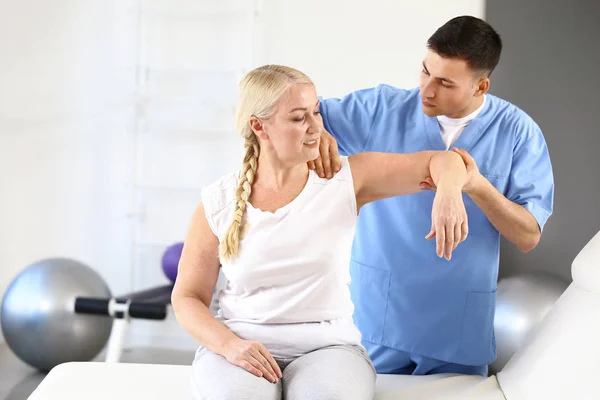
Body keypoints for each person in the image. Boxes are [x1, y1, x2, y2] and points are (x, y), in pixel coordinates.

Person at [171, 64, 469, 399]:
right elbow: (187, 297)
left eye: (316, 112)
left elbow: (447, 162)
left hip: (328, 349)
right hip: (239, 345)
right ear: (260, 126)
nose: (317, 126)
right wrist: (230, 346)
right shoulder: (218, 201)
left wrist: (448, 193)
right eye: (300, 118)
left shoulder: (345, 179)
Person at [312, 15, 555, 377]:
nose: (427, 89)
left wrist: (474, 185)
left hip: (456, 329)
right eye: (425, 71)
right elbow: (300, 112)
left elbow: (528, 235)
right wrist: (319, 133)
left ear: (481, 86)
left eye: (444, 82)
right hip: (380, 319)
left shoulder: (518, 133)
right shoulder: (381, 109)